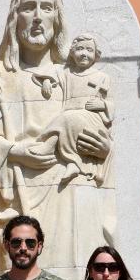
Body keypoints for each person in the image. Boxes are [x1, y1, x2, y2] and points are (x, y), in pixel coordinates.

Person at [0, 0, 116, 279]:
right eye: (28, 8)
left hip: (74, 197)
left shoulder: (75, 76)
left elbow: (100, 134)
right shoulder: (3, 80)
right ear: (15, 18)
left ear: (57, 18)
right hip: (24, 199)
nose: (37, 18)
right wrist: (18, 152)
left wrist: (105, 151)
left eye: (46, 8)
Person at [28, 33, 115, 184]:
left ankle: (48, 146)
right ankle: (73, 163)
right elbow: (48, 72)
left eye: (89, 50)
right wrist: (47, 81)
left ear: (96, 55)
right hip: (69, 120)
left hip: (91, 120)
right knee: (67, 120)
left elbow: (111, 103)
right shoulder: (66, 73)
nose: (84, 53)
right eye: (80, 49)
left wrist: (102, 105)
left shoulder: (102, 77)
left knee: (67, 118)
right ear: (72, 52)